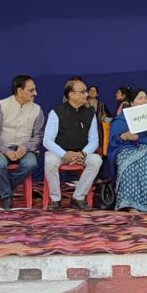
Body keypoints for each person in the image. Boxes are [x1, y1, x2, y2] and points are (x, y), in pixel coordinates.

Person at [0, 75, 44, 210]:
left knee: (31, 164)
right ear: (19, 91)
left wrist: (26, 147)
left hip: (25, 149)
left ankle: (1, 192)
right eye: (31, 90)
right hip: (0, 148)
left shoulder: (37, 110)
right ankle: (6, 197)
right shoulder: (1, 105)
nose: (35, 93)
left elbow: (38, 136)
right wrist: (6, 150)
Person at [108, 89, 147, 212]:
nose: (144, 100)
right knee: (129, 161)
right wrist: (126, 136)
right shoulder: (121, 119)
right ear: (132, 103)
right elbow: (114, 140)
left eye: (146, 98)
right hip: (128, 147)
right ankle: (131, 202)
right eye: (140, 98)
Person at [44, 78, 102, 211]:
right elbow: (47, 140)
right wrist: (64, 154)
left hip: (81, 154)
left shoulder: (90, 113)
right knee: (49, 160)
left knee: (96, 160)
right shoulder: (56, 112)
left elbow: (94, 141)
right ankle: (55, 199)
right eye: (82, 92)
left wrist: (82, 153)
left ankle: (78, 197)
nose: (86, 94)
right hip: (60, 154)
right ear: (71, 95)